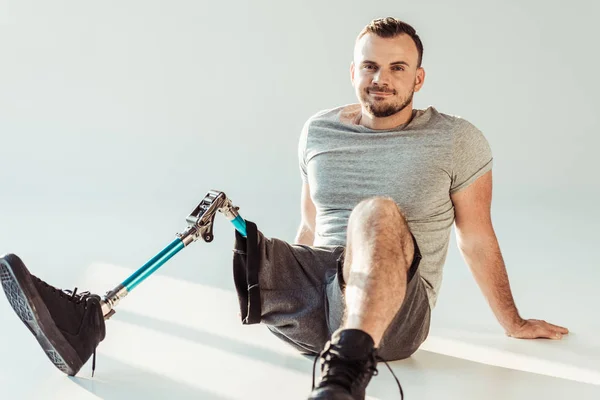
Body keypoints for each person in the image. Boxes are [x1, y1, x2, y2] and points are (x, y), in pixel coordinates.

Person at [0, 17, 570, 400]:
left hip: (397, 313)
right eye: (370, 66)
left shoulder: (457, 139)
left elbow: (476, 236)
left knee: (375, 213)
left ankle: (345, 371)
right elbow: (310, 225)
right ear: (353, 72)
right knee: (221, 210)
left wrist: (512, 322)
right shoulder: (319, 130)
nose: (382, 79)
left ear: (418, 77)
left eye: (398, 69)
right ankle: (87, 321)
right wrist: (273, 259)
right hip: (317, 295)